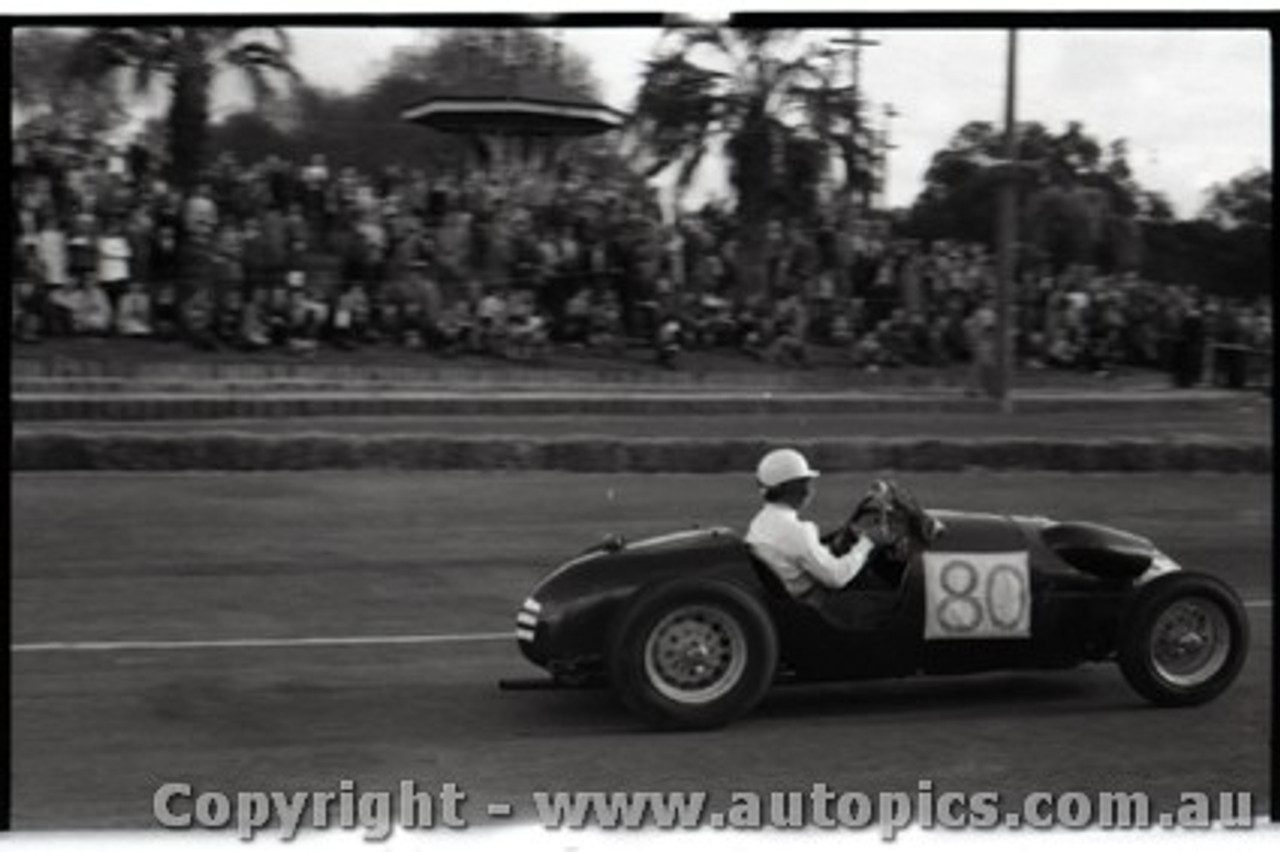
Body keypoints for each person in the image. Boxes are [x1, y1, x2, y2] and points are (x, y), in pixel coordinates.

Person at [744, 449, 888, 608]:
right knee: (882, 595)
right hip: (817, 606)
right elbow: (837, 578)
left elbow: (806, 553)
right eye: (806, 481)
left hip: (790, 597)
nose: (810, 488)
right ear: (794, 487)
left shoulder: (760, 522)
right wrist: (867, 542)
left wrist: (848, 536)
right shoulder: (798, 531)